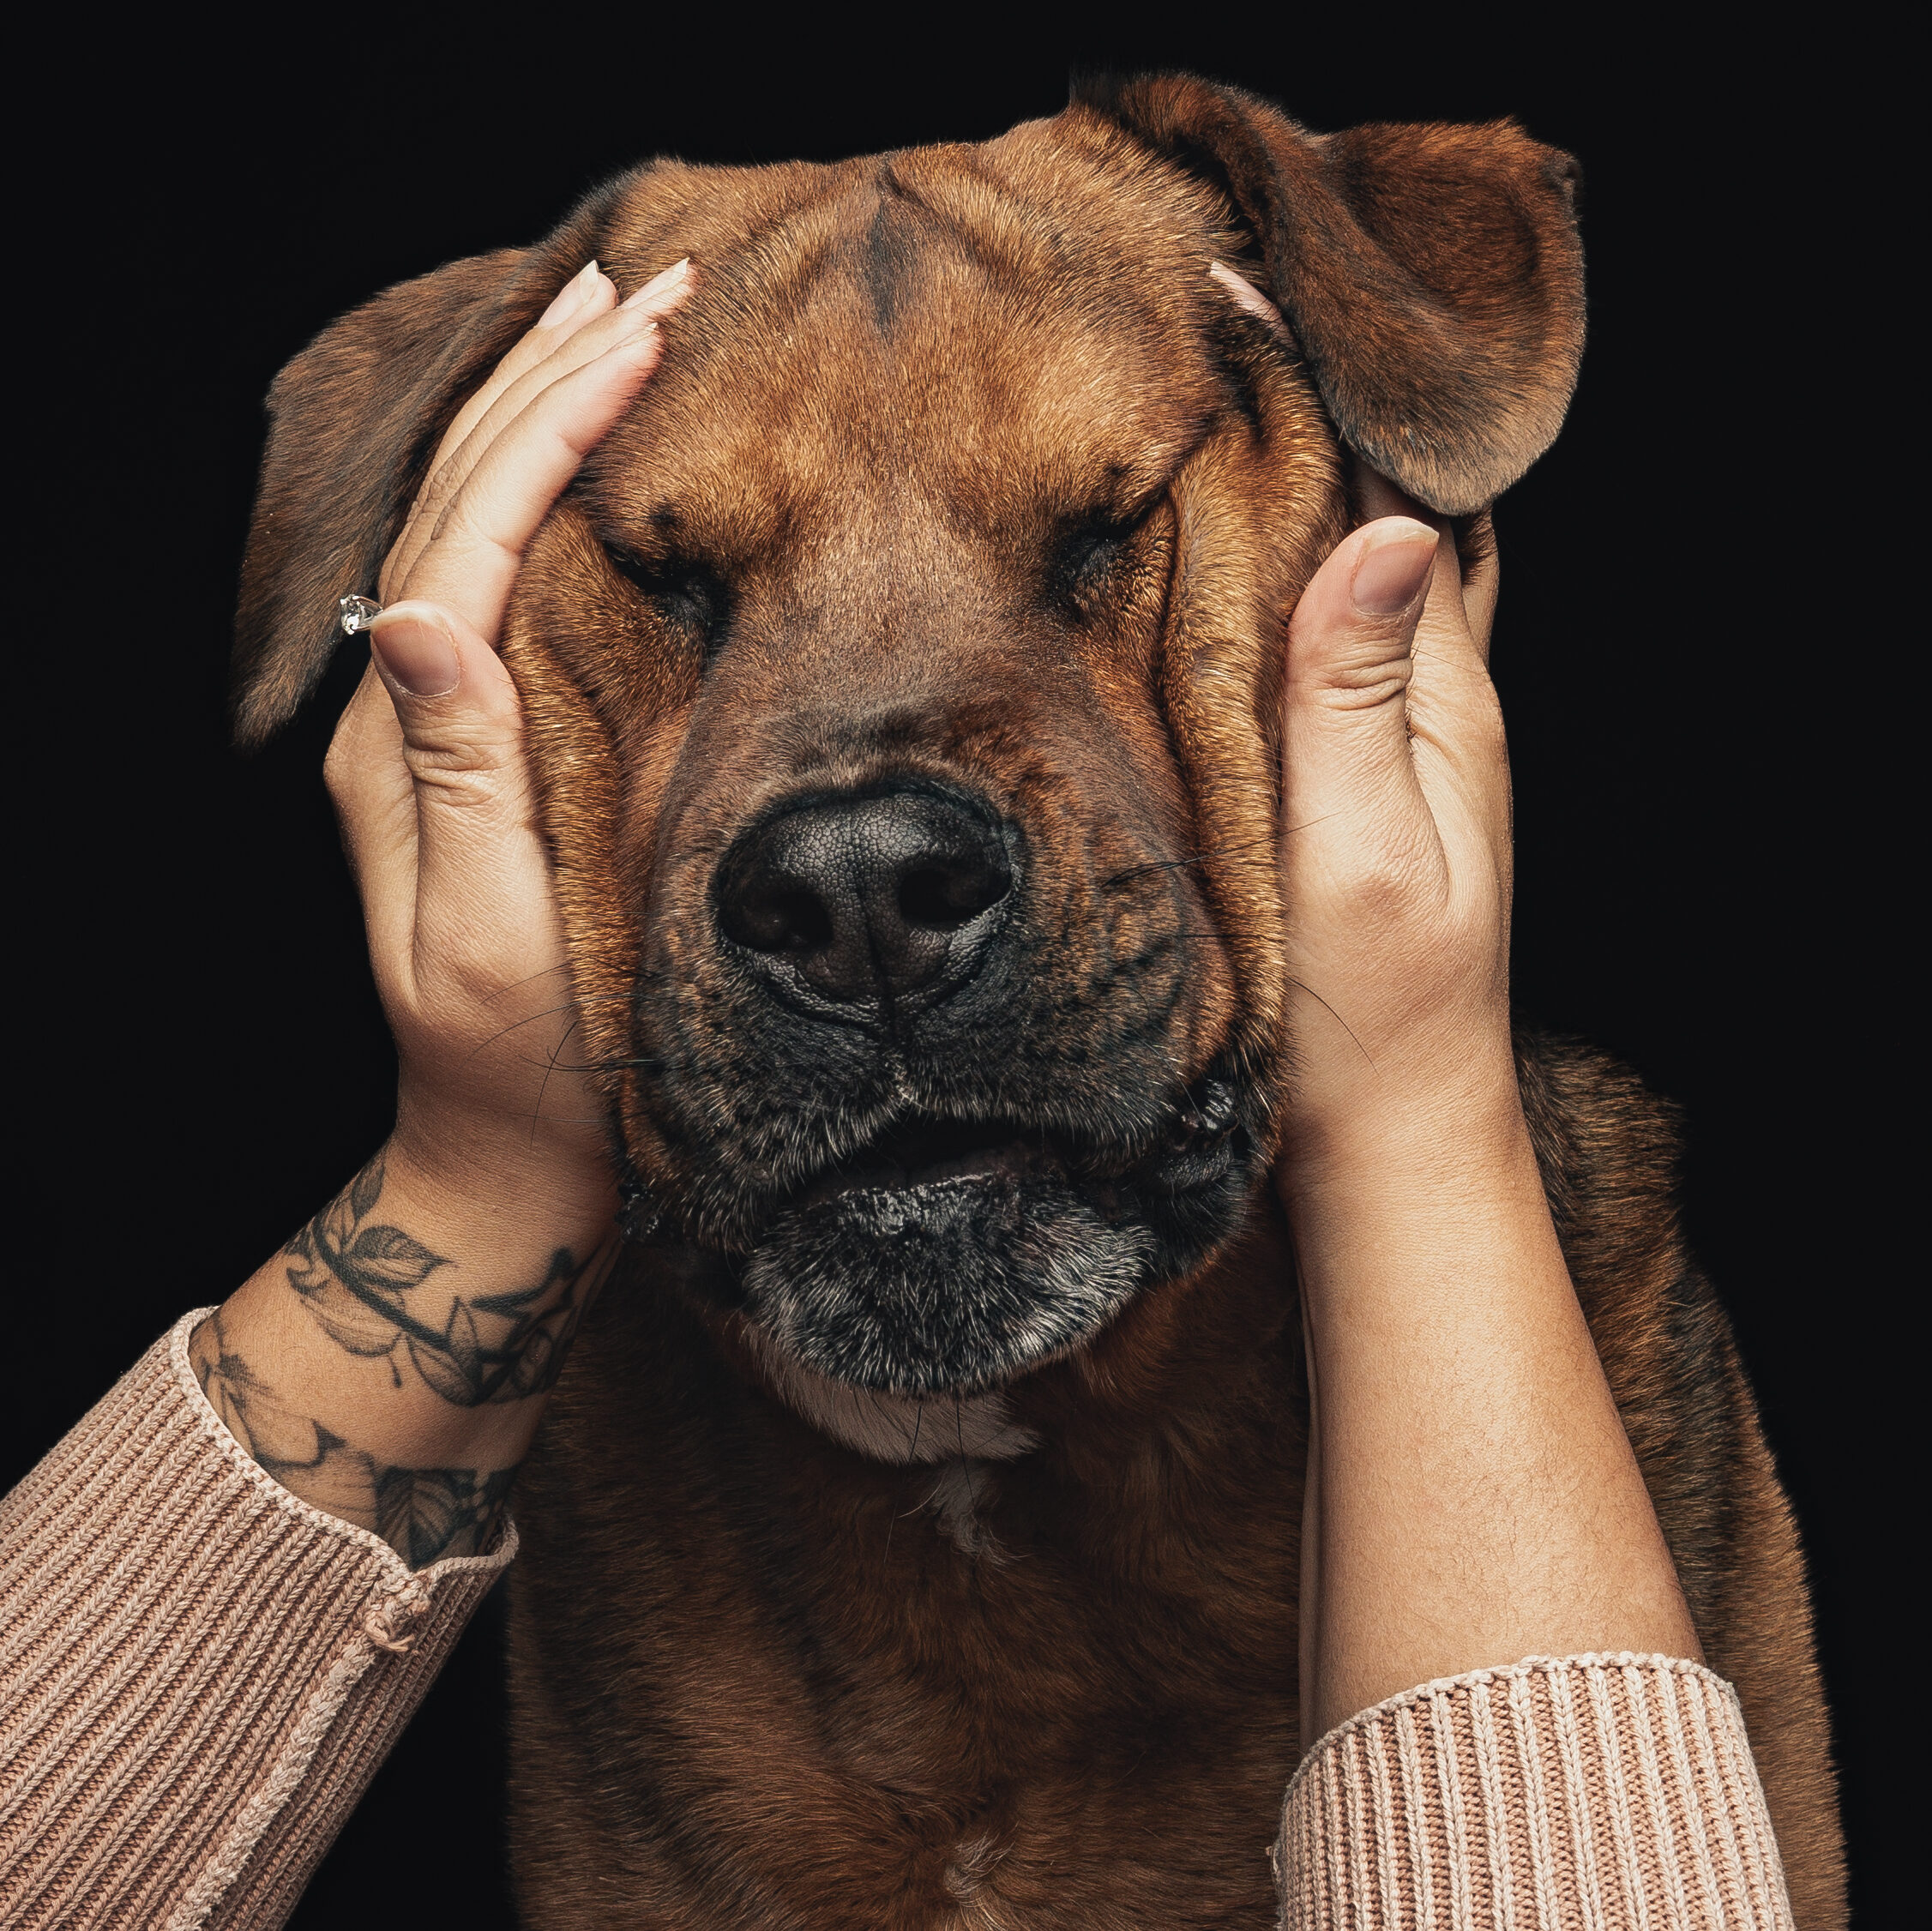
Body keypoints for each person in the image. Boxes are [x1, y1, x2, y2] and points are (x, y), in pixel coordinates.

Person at [0, 258, 1794, 1928]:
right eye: (667, 586)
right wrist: (484, 1167)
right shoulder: (629, 1480)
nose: (864, 854)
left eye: (1101, 535)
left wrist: (1404, 1112)